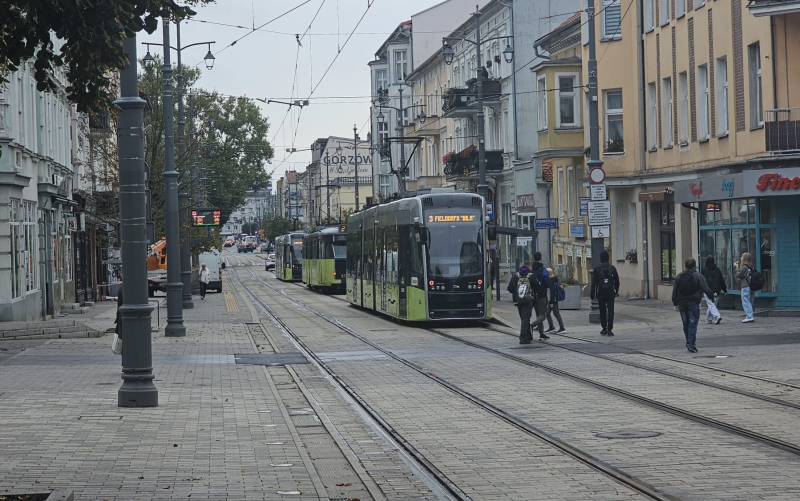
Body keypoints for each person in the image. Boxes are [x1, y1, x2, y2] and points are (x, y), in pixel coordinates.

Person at [672, 258, 714, 353]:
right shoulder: (698, 276)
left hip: (682, 302)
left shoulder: (679, 276)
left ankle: (689, 342)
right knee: (693, 323)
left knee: (686, 323)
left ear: (685, 265)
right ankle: (691, 344)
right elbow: (705, 288)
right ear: (695, 265)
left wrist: (675, 303)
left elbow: (675, 290)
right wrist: (712, 297)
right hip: (694, 302)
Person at [591, 250, 620, 336]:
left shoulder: (597, 269)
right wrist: (616, 291)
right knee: (611, 311)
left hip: (601, 293)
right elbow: (617, 281)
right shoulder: (612, 268)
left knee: (602, 311)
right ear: (608, 258)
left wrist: (592, 296)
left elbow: (594, 283)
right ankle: (610, 329)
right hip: (611, 292)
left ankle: (604, 328)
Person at [529, 252, 556, 341]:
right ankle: (532, 325)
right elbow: (548, 283)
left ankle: (541, 333)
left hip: (531, 295)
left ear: (533, 258)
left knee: (538, 314)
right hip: (541, 295)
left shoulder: (530, 269)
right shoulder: (543, 270)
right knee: (543, 315)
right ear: (541, 259)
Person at [507, 261, 534, 344]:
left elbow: (510, 288)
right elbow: (537, 287)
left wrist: (516, 294)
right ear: (529, 267)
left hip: (518, 301)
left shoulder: (516, 276)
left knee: (524, 318)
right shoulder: (531, 276)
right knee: (526, 319)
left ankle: (528, 336)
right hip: (528, 300)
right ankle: (523, 337)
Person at [701, 255, 727, 324]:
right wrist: (724, 290)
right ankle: (709, 319)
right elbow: (721, 280)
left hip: (708, 290)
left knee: (710, 304)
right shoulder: (717, 269)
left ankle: (717, 316)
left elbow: (701, 281)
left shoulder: (704, 270)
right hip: (717, 290)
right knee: (712, 304)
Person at [544, 267, 566, 334]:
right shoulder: (554, 280)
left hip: (553, 300)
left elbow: (552, 292)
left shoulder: (551, 281)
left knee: (554, 313)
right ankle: (552, 326)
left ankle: (561, 328)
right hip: (553, 300)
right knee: (550, 313)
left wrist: (551, 302)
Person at [736, 252, 755, 323]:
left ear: (744, 258)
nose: (741, 258)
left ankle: (749, 316)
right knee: (750, 301)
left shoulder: (745, 267)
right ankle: (749, 315)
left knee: (746, 302)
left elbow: (739, 275)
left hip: (745, 286)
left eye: (742, 256)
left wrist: (737, 268)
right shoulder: (752, 266)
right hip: (752, 286)